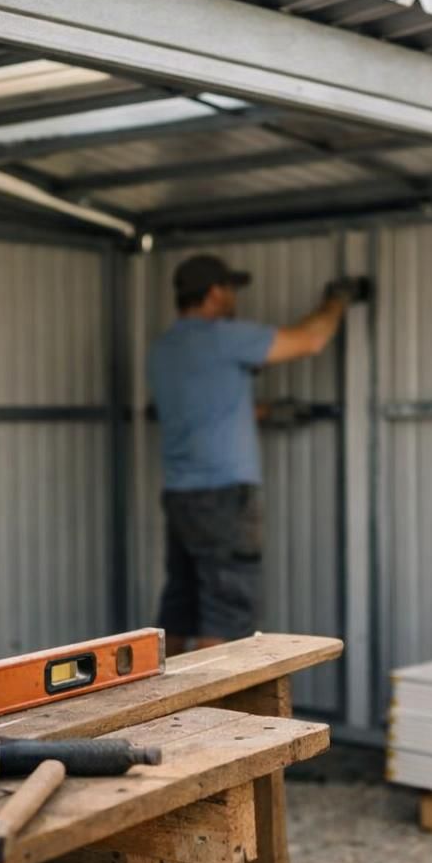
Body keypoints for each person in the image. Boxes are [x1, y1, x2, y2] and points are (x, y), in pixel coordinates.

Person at [146, 254, 367, 656]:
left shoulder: (165, 349)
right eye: (231, 289)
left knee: (181, 607)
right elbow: (310, 340)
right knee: (226, 613)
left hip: (181, 496)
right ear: (215, 292)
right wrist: (337, 300)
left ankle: (165, 711)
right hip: (224, 497)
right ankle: (214, 715)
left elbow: (201, 405)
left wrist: (264, 411)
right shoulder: (222, 338)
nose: (234, 298)